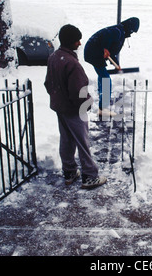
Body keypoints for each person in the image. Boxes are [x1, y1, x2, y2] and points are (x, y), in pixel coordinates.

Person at [44, 24, 107, 189]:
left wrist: (58, 99)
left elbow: (47, 83)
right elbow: (78, 91)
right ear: (70, 42)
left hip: (60, 108)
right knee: (82, 143)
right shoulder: (72, 63)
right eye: (77, 40)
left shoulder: (54, 57)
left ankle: (69, 172)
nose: (80, 43)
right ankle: (90, 176)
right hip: (74, 110)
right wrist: (87, 102)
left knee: (66, 140)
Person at [84, 17, 140, 117]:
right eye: (132, 31)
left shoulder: (120, 32)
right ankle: (103, 109)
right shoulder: (117, 31)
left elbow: (112, 53)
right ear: (129, 27)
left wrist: (116, 64)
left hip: (93, 53)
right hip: (93, 53)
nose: (131, 34)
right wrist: (105, 48)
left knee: (102, 76)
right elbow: (106, 36)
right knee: (106, 80)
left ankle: (101, 97)